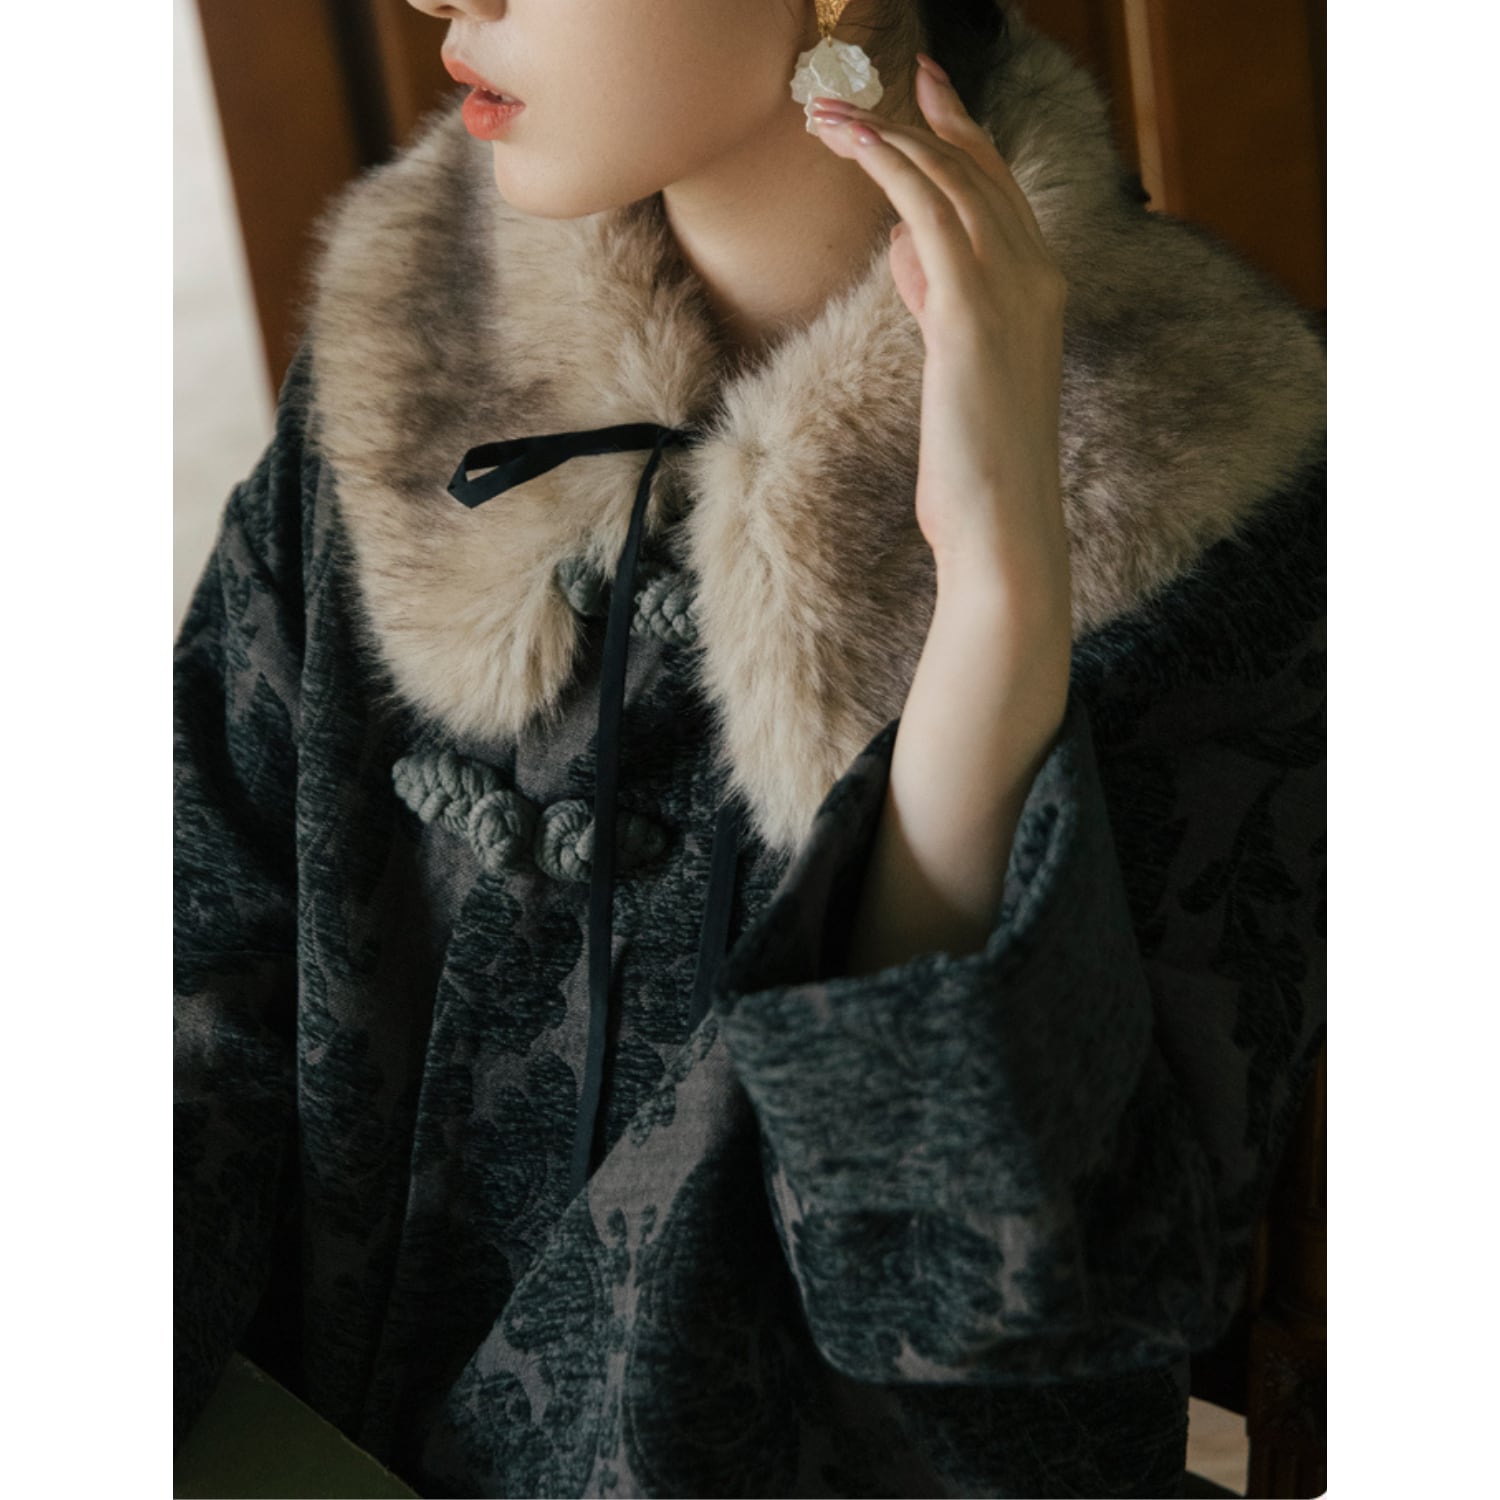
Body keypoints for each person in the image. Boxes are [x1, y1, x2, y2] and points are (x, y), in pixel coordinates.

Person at [173, 0, 1327, 1494]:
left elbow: (1019, 1359)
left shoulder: (1209, 496)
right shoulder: (417, 341)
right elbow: (181, 975)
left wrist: (995, 604)